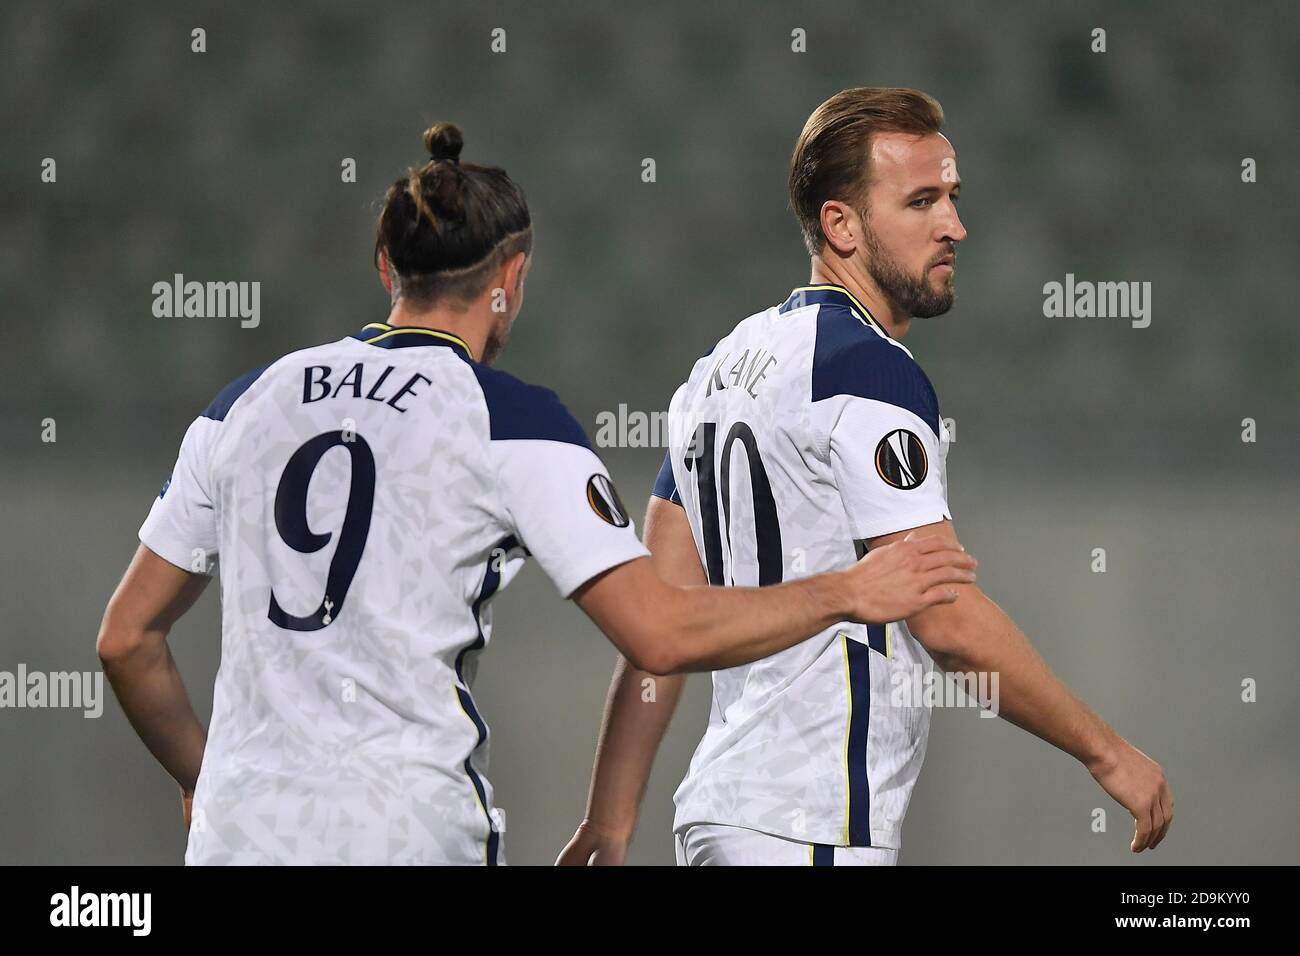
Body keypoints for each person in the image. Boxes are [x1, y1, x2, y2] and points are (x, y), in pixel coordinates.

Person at [95, 121, 977, 865]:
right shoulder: (507, 418)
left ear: (385, 268)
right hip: (409, 831)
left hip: (237, 839)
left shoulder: (244, 403)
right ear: (510, 279)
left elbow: (128, 641)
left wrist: (204, 779)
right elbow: (661, 632)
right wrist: (846, 592)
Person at [558, 88, 1172, 867]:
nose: (955, 225)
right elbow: (944, 621)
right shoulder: (868, 368)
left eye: (952, 197)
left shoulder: (714, 375)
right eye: (921, 201)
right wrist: (1106, 751)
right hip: (811, 824)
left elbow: (656, 630)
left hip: (721, 818)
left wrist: (609, 823)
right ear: (841, 225)